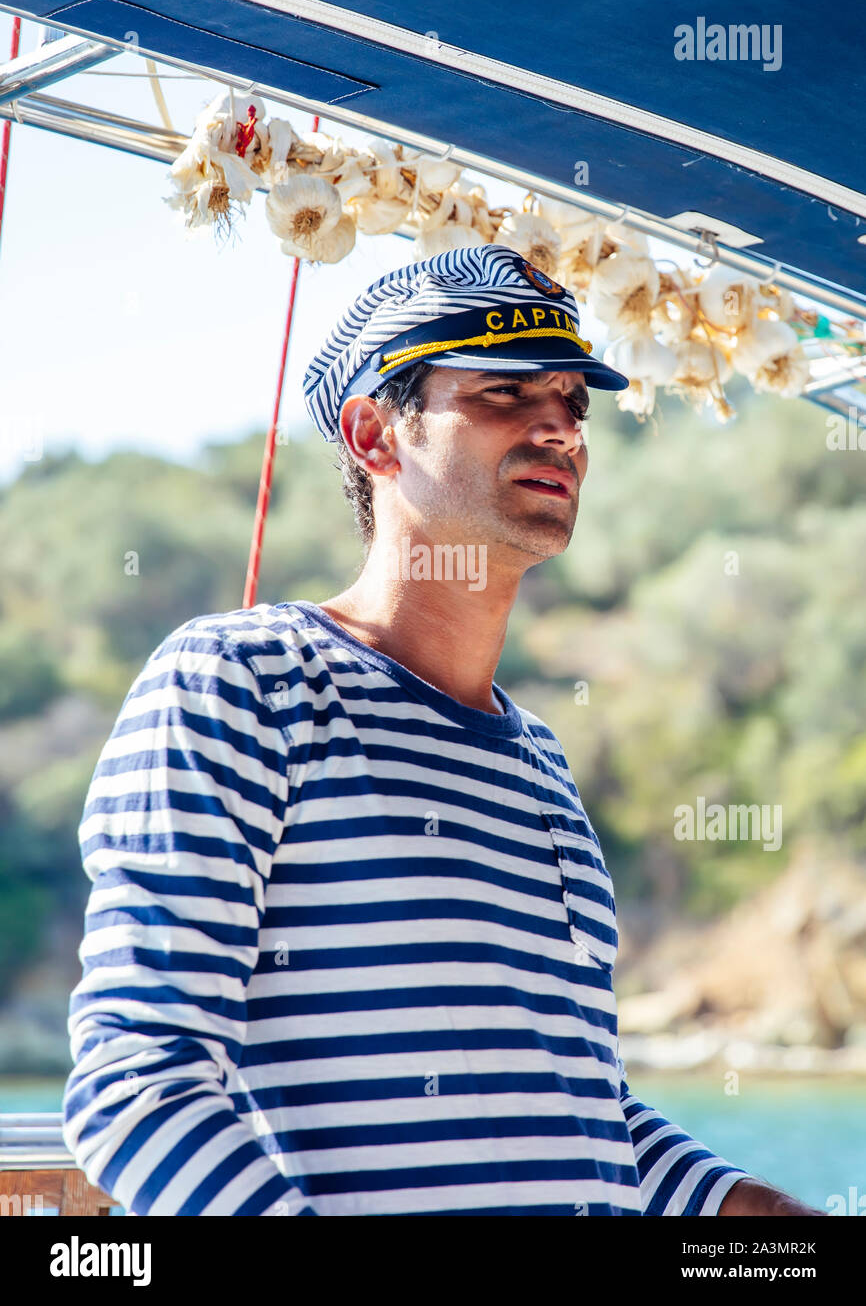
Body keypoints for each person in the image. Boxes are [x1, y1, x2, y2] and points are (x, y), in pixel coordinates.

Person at [62, 243, 823, 1216]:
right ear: (374, 432)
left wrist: (746, 1214)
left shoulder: (538, 760)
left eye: (573, 401)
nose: (560, 425)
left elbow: (570, 1107)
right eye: (505, 393)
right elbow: (136, 1085)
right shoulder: (242, 681)